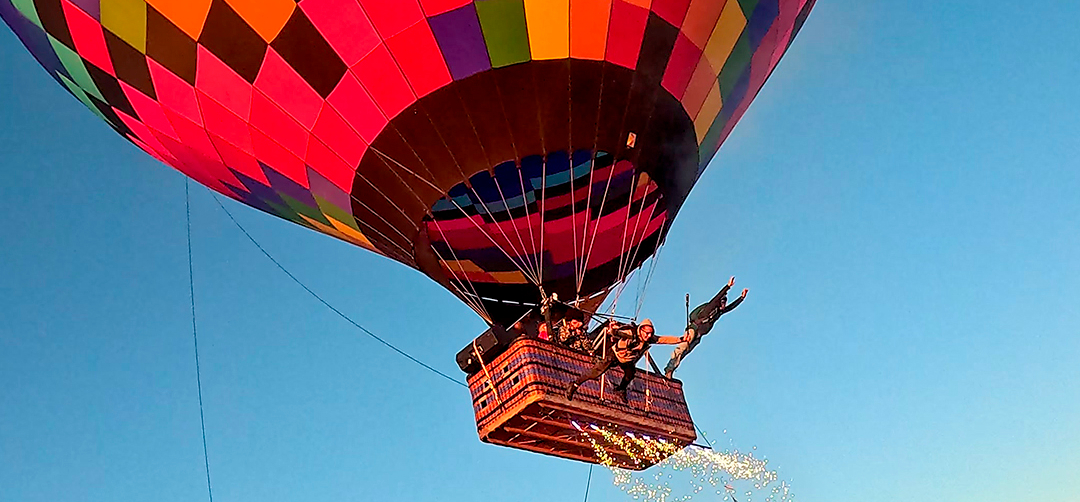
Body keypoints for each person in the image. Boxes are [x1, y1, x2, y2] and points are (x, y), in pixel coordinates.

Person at [565, 319, 687, 402]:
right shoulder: (630, 333)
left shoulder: (649, 339)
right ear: (641, 330)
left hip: (627, 359)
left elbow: (663, 339)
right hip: (615, 355)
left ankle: (620, 389)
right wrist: (613, 330)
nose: (648, 336)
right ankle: (574, 385)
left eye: (650, 334)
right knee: (596, 372)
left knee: (630, 374)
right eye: (647, 333)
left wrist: (681, 339)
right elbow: (618, 332)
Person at [663, 276, 747, 379]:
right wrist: (728, 286)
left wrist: (741, 298)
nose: (724, 305)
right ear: (720, 302)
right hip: (694, 329)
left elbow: (730, 308)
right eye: (723, 302)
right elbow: (717, 297)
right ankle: (669, 370)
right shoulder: (711, 307)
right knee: (682, 347)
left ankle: (671, 370)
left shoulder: (718, 313)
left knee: (685, 352)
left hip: (699, 335)